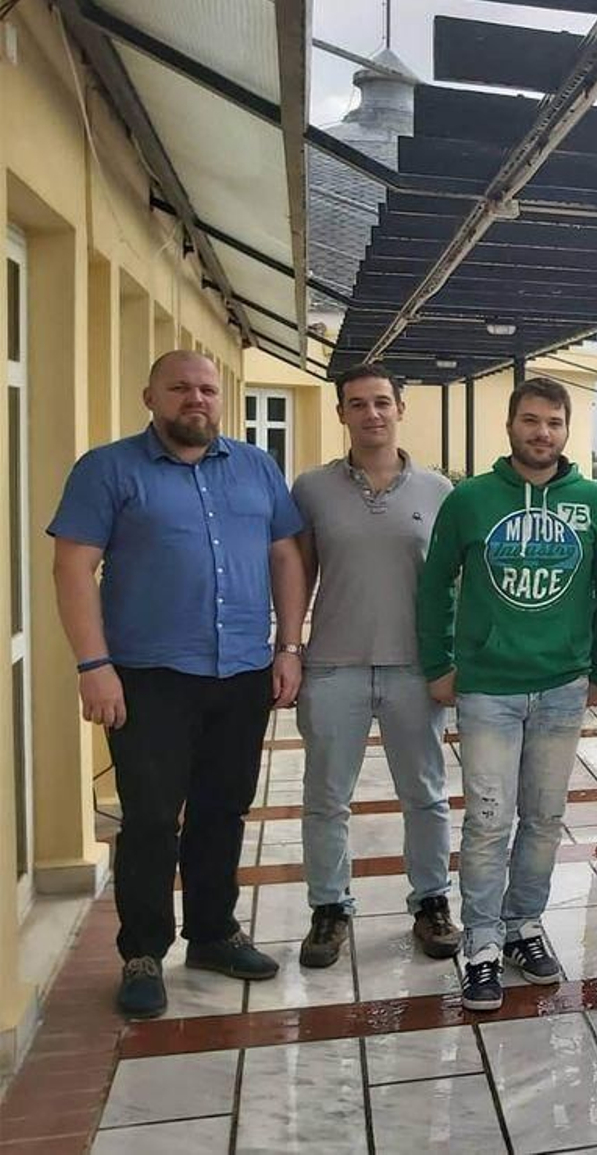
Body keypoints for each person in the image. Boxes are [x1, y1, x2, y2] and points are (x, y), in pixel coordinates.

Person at [48, 350, 306, 1019]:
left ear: (222, 399)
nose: (196, 398)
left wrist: (288, 646)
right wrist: (92, 664)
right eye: (181, 388)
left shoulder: (256, 467)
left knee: (224, 808)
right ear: (150, 395)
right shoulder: (107, 469)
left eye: (208, 389)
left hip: (243, 670)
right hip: (148, 676)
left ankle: (214, 932)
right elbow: (73, 568)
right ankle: (142, 951)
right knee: (153, 818)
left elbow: (285, 553)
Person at [416, 376, 597, 1012]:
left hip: (562, 687)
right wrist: (438, 663)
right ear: (510, 427)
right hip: (488, 691)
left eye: (554, 423)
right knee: (487, 819)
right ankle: (480, 941)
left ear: (566, 431)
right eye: (531, 421)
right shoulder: (471, 500)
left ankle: (522, 927)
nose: (542, 433)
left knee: (543, 819)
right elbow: (433, 586)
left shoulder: (595, 503)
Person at [291, 364, 459, 970]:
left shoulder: (439, 491)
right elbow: (298, 573)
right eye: (357, 404)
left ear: (400, 409)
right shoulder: (310, 489)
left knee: (426, 796)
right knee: (326, 799)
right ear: (341, 413)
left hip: (415, 670)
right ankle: (329, 908)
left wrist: (452, 659)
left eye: (382, 402)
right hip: (333, 667)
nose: (372, 414)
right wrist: (289, 647)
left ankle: (432, 902)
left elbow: (455, 583)